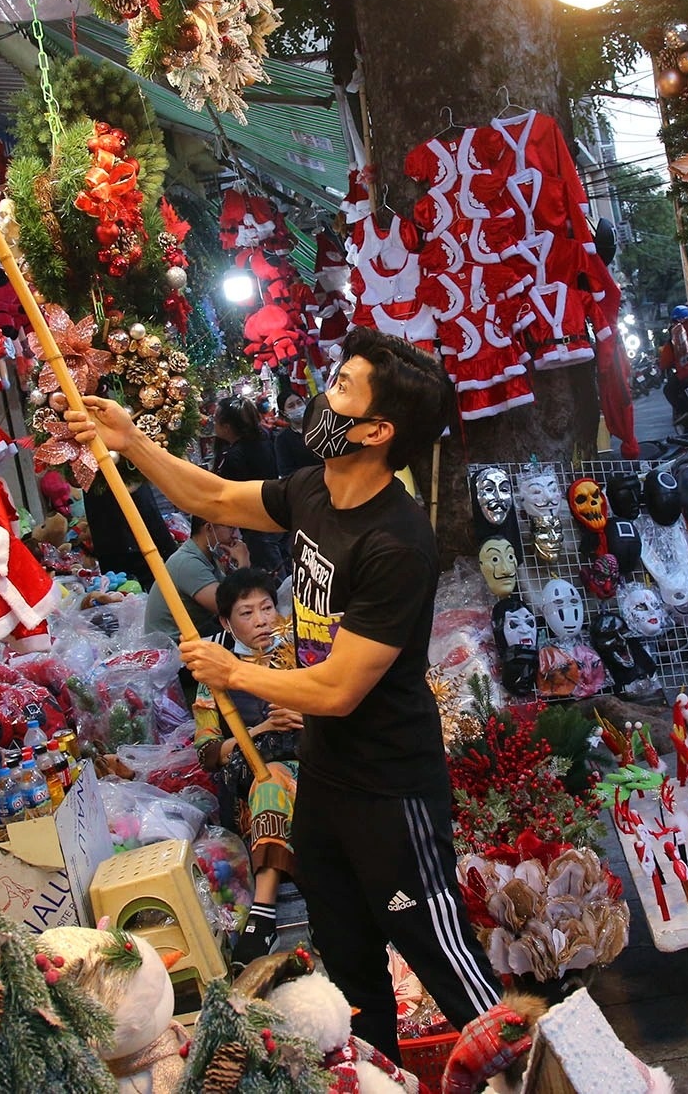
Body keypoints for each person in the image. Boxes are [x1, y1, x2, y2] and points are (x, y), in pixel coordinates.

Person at [66, 326, 502, 1059]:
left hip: (391, 786)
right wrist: (131, 441)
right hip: (325, 779)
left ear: (376, 429)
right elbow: (209, 493)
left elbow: (335, 687)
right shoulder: (312, 490)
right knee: (348, 959)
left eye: (341, 388)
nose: (321, 395)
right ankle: (372, 1072)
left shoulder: (396, 541)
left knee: (441, 954)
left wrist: (233, 671)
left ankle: (529, 1066)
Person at [194, 567, 305, 967]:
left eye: (266, 608)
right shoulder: (216, 675)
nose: (261, 620)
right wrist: (258, 730)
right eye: (246, 613)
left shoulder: (302, 654)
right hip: (259, 776)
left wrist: (307, 715)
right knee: (270, 781)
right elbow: (207, 752)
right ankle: (263, 914)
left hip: (316, 759)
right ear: (225, 622)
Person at [141, 514, 247, 643]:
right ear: (209, 528)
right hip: (174, 647)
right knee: (247, 632)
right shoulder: (188, 562)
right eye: (231, 528)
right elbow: (231, 608)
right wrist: (244, 564)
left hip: (196, 631)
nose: (236, 535)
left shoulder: (210, 554)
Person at [213, 398, 289, 575]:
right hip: (275, 516)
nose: (213, 424)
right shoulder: (262, 440)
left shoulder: (235, 455)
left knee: (272, 577)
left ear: (227, 426)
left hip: (258, 525)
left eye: (215, 420)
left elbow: (232, 494)